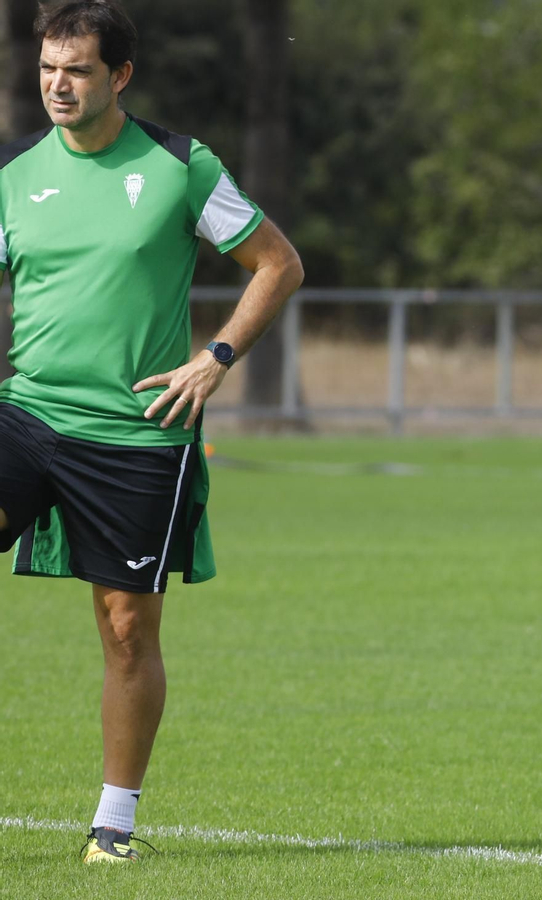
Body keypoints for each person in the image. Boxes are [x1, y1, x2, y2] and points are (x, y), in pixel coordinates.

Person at [0, 0, 302, 863]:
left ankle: (114, 826)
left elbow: (278, 264)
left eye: (78, 70)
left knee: (128, 631)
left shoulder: (180, 166)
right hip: (26, 414)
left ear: (120, 75)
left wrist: (215, 357)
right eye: (48, 68)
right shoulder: (13, 173)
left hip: (137, 437)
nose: (58, 85)